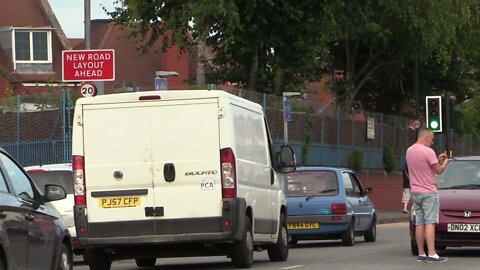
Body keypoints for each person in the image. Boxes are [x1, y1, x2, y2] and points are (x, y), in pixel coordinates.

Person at [406, 128, 449, 263]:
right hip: (429, 192)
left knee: (420, 222)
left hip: (416, 192)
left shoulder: (409, 151)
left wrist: (436, 159)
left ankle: (421, 253)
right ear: (426, 137)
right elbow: (439, 171)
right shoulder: (428, 151)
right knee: (430, 222)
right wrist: (445, 161)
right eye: (431, 139)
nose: (432, 142)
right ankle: (432, 253)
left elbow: (422, 165)